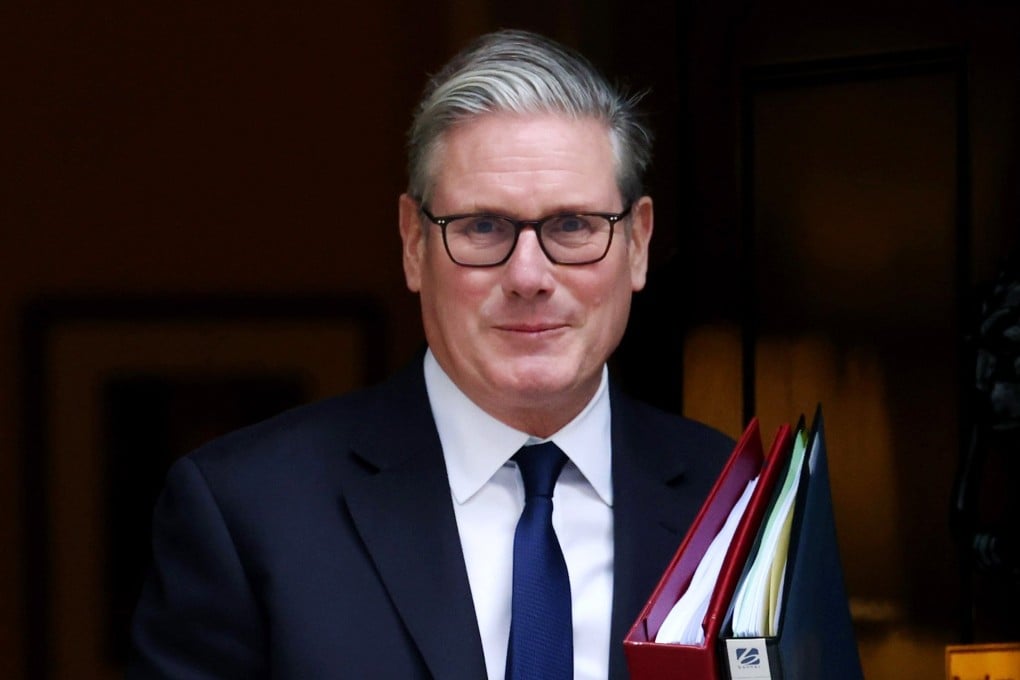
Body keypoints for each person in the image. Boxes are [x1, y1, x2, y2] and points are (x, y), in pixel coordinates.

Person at [128, 29, 732, 680]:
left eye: (573, 226)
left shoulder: (735, 502)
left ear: (637, 243)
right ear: (414, 243)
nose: (529, 275)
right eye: (482, 227)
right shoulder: (246, 511)